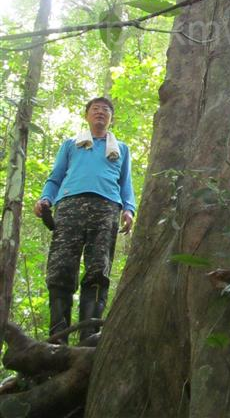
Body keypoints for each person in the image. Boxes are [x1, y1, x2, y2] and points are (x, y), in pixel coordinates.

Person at [33, 97, 136, 343]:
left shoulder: (120, 148)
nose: (100, 113)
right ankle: (57, 341)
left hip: (106, 208)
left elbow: (126, 183)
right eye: (95, 109)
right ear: (87, 115)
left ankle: (89, 339)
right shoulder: (71, 144)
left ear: (112, 118)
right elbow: (55, 177)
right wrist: (46, 198)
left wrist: (129, 209)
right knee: (60, 270)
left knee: (98, 271)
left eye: (106, 110)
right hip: (69, 207)